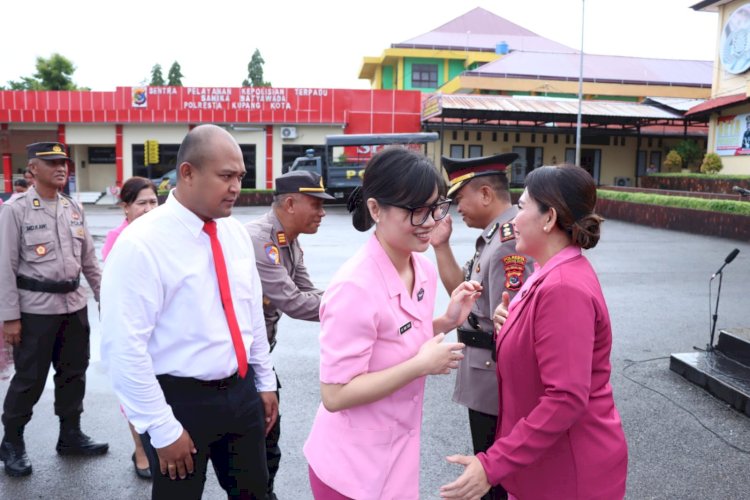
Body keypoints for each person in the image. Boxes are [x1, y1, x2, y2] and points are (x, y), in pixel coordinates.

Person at [100, 124, 278, 499]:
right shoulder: (142, 244)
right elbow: (123, 349)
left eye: (240, 177)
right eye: (225, 176)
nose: (235, 187)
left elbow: (250, 315)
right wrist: (162, 428)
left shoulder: (234, 234)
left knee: (256, 493)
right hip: (178, 402)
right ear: (187, 173)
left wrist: (263, 382)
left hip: (241, 392)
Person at [440, 164, 628, 500]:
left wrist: (492, 464)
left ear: (549, 218)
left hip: (568, 473)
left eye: (523, 206)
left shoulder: (562, 287)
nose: (512, 219)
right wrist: (509, 324)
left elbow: (565, 397)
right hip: (547, 464)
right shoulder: (547, 271)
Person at [303, 147, 482, 499]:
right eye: (416, 210)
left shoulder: (423, 269)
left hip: (396, 455)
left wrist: (447, 320)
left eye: (435, 207)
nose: (430, 221)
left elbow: (396, 340)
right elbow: (335, 394)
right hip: (349, 469)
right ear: (375, 209)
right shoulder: (353, 287)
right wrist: (420, 367)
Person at [0, 142, 107, 478]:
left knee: (74, 372)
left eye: (63, 162)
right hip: (34, 310)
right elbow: (5, 266)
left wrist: (107, 297)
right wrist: (10, 317)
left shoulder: (73, 208)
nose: (61, 167)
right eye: (52, 163)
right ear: (32, 169)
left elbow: (89, 258)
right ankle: (13, 443)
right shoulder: (15, 209)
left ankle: (70, 435)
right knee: (29, 379)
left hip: (73, 305)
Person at [430, 153, 534, 500]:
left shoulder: (507, 242)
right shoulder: (494, 236)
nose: (458, 207)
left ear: (486, 194)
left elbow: (515, 323)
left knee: (495, 474)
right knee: (491, 468)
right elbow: (465, 296)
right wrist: (441, 245)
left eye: (461, 198)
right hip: (486, 371)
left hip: (496, 375)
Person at [245, 169, 333, 499]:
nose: (323, 213)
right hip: (237, 358)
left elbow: (309, 290)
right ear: (292, 203)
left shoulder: (288, 240)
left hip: (259, 354)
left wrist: (347, 298)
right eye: (317, 204)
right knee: (256, 443)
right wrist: (353, 306)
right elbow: (294, 303)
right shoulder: (260, 241)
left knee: (267, 440)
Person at [101, 176, 159, 480]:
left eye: (153, 202)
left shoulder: (164, 235)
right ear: (126, 207)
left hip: (162, 328)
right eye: (142, 203)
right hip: (133, 327)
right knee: (134, 392)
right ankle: (140, 450)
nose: (149, 208)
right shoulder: (117, 237)